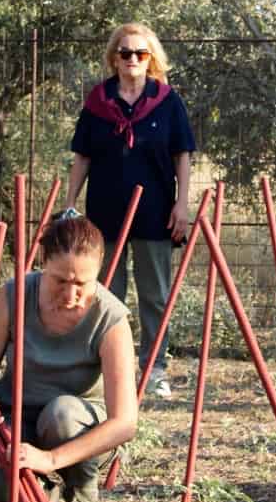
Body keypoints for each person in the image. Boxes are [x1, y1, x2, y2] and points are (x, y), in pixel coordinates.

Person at [0, 212, 136, 502]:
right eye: (60, 280)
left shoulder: (111, 318)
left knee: (61, 414)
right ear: (43, 263)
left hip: (78, 425)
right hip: (16, 419)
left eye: (82, 284)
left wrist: (50, 460)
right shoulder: (14, 297)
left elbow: (125, 423)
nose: (70, 294)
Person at [65, 23, 195, 400]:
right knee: (107, 292)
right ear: (114, 58)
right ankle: (110, 368)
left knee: (155, 295)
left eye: (140, 53)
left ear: (151, 58)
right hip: (105, 211)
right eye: (125, 53)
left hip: (156, 212)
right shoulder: (97, 101)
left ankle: (155, 369)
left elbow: (182, 155)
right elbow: (82, 156)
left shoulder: (168, 101)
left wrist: (182, 204)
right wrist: (70, 203)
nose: (132, 59)